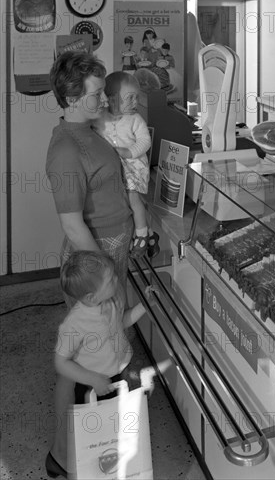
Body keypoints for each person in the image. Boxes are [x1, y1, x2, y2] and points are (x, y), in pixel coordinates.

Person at [45, 51, 134, 478]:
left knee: (95, 357)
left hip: (109, 256)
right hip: (94, 269)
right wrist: (108, 279)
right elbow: (72, 223)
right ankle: (63, 455)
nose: (105, 99)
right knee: (77, 365)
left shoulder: (88, 129)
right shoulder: (66, 147)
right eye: (97, 93)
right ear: (73, 95)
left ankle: (91, 447)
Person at [55, 251, 153, 404]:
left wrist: (144, 305)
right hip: (92, 382)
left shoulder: (111, 302)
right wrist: (93, 379)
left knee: (120, 414)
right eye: (110, 280)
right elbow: (61, 363)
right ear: (91, 297)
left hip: (120, 371)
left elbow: (120, 323)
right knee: (96, 421)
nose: (116, 278)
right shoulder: (74, 324)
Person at [93, 71, 160, 258]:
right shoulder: (101, 118)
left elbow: (145, 141)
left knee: (133, 198)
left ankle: (141, 235)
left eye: (136, 98)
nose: (135, 102)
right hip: (115, 168)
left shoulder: (135, 120)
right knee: (123, 202)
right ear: (112, 99)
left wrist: (129, 152)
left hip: (133, 166)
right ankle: (151, 234)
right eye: (129, 98)